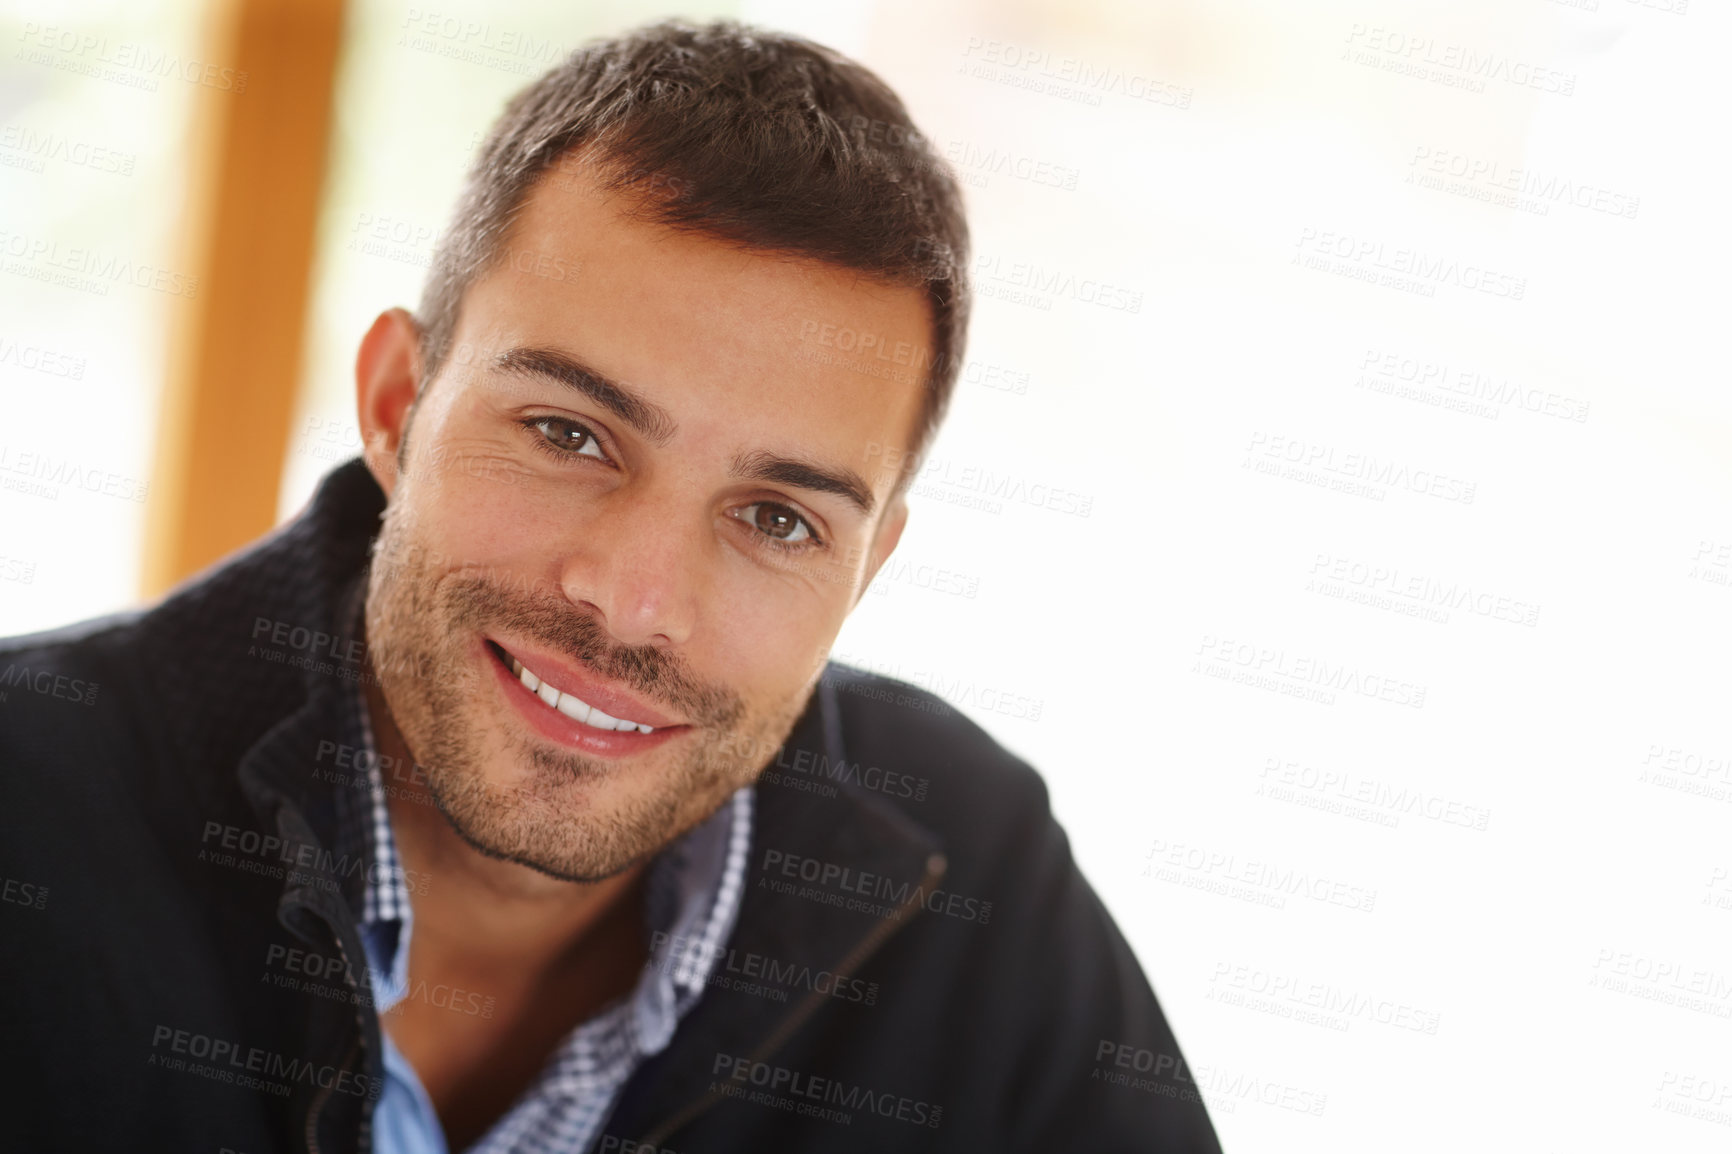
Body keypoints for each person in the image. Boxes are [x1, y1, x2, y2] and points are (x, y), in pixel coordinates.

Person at [0, 19, 1220, 1153]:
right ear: (396, 406)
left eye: (776, 518)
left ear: (864, 568)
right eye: (569, 434)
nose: (633, 602)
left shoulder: (976, 868)